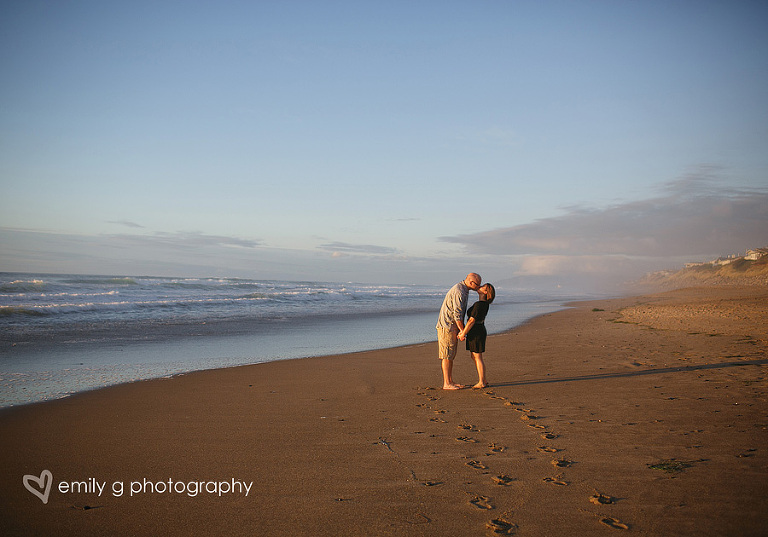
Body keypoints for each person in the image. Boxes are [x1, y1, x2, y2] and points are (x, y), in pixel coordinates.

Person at [436, 273, 482, 390]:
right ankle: (447, 383)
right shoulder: (459, 291)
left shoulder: (463, 289)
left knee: (451, 355)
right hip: (447, 326)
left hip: (452, 326)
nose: (478, 287)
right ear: (471, 283)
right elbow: (457, 315)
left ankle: (450, 381)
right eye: (477, 285)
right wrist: (463, 331)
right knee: (446, 355)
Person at [458, 283, 495, 389]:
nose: (480, 286)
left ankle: (482, 382)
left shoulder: (480, 304)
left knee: (477, 357)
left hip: (477, 331)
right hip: (478, 330)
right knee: (474, 356)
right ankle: (483, 379)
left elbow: (471, 320)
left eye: (483, 287)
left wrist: (463, 333)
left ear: (486, 292)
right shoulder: (483, 304)